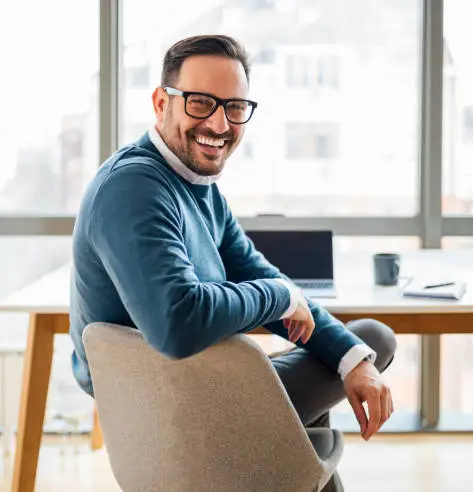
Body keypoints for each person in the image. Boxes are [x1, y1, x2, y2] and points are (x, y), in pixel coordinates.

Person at [69, 34, 397, 492]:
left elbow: (255, 273)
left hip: (205, 387)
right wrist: (280, 298)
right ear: (161, 102)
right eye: (201, 103)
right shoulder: (133, 189)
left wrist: (347, 357)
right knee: (362, 354)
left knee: (362, 348)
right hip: (169, 412)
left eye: (235, 107)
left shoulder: (195, 186)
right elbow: (177, 323)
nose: (220, 124)